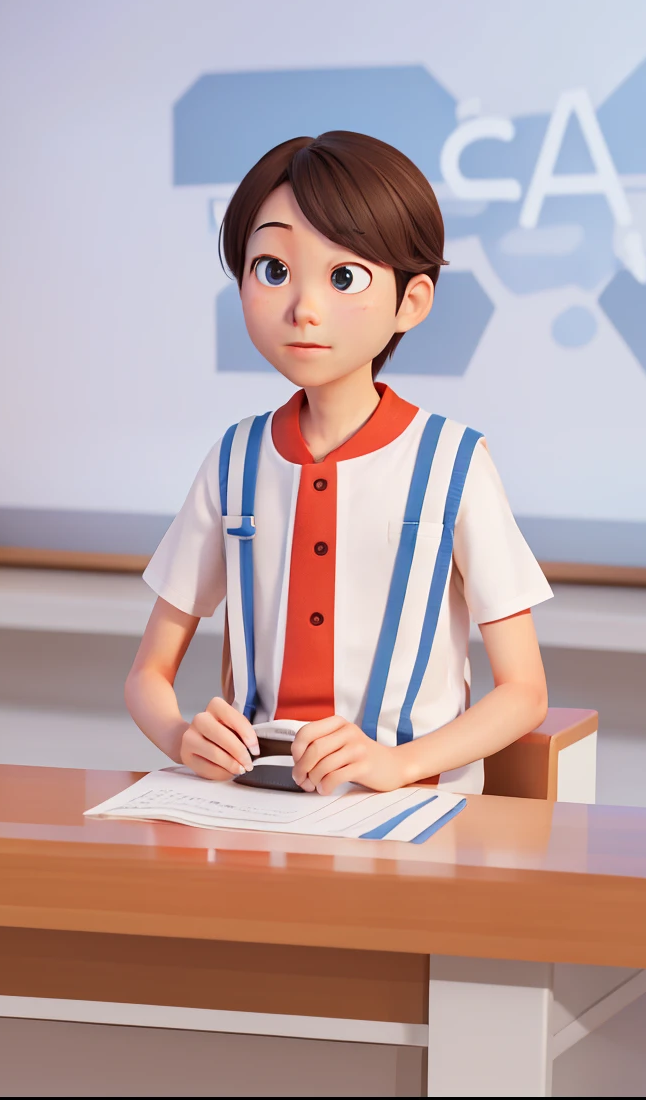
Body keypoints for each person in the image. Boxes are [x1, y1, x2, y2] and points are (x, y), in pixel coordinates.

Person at [125, 132, 549, 795]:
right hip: (252, 804)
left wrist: (398, 765)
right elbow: (147, 676)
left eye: (344, 276)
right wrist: (184, 737)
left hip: (415, 810)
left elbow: (525, 692)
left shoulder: (452, 463)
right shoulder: (235, 460)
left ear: (412, 301)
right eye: (273, 269)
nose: (304, 308)